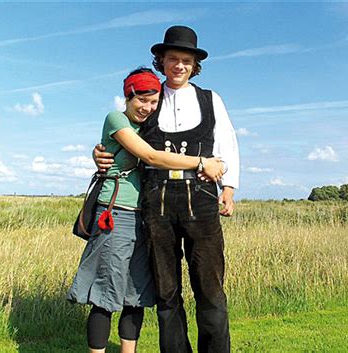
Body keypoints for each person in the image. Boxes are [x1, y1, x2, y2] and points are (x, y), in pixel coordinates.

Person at [94, 26, 239, 353]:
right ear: (161, 60)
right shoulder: (148, 97)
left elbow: (228, 142)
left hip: (201, 201)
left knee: (210, 288)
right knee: (166, 292)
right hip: (156, 204)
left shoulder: (211, 98)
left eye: (186, 60)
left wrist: (228, 188)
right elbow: (121, 135)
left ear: (194, 64)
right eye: (173, 58)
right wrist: (99, 152)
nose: (179, 66)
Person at [67, 67, 224, 353]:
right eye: (141, 100)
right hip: (115, 213)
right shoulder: (116, 118)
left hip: (144, 216)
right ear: (128, 96)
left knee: (135, 295)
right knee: (105, 292)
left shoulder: (149, 125)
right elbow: (151, 156)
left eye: (153, 102)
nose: (147, 107)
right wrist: (202, 162)